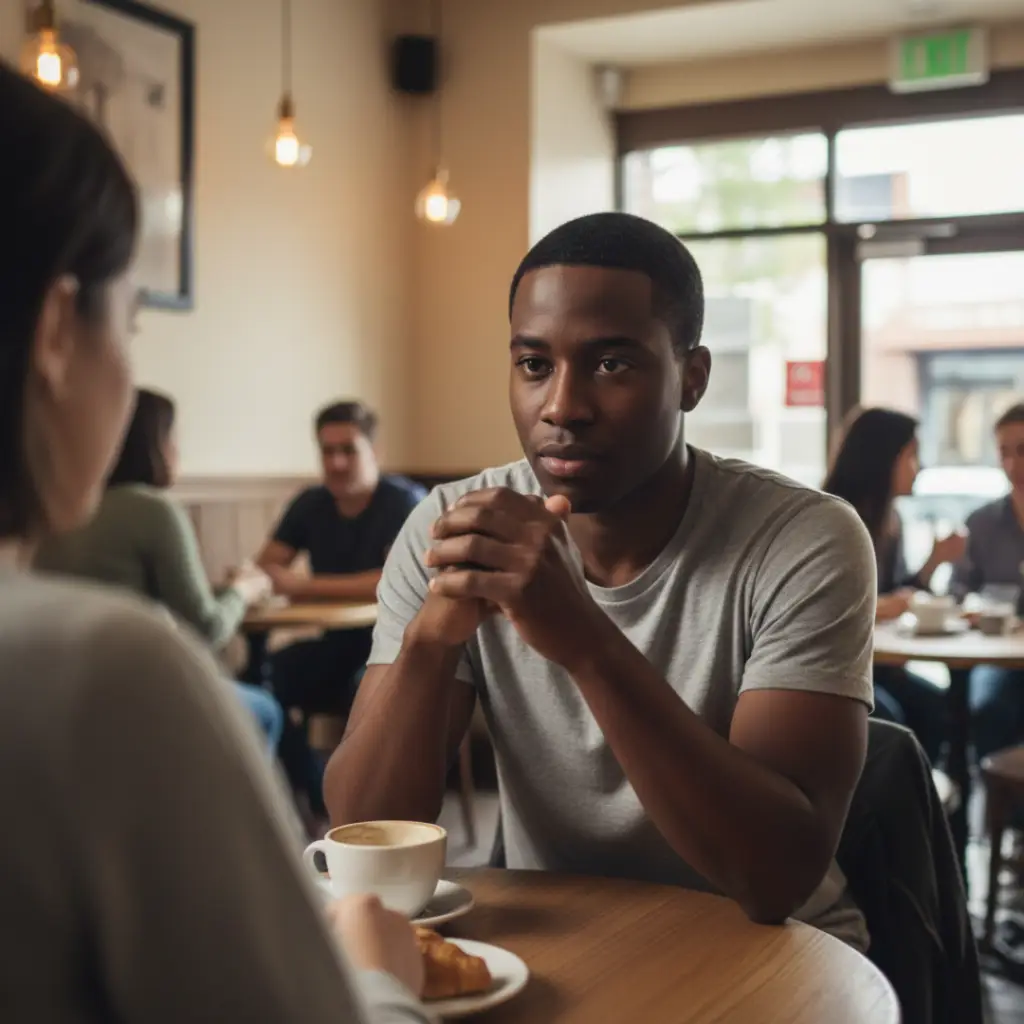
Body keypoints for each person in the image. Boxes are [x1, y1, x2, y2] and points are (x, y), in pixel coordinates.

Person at [0, 65, 428, 1022]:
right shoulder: (99, 675)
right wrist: (375, 980)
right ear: (60, 330)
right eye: (135, 322)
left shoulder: (399, 501)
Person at [327, 211, 877, 949]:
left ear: (692, 377)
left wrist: (585, 641)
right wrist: (428, 642)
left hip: (770, 951)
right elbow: (361, 839)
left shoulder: (802, 540)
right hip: (556, 941)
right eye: (533, 365)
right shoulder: (453, 526)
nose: (562, 407)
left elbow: (775, 876)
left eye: (611, 364)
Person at [35, 388, 285, 754]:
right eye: (174, 437)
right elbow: (207, 627)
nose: (177, 449)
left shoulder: (57, 510)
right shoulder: (152, 510)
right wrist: (243, 590)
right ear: (155, 443)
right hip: (136, 691)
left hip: (58, 690)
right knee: (264, 711)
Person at [257, 402, 425, 814]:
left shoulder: (404, 502)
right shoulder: (310, 503)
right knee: (260, 681)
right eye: (327, 451)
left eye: (348, 450)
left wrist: (306, 587)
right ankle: (318, 801)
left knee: (365, 692)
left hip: (396, 650)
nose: (336, 462)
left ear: (375, 452)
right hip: (333, 643)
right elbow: (266, 565)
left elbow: (395, 580)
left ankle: (363, 812)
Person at [823, 407, 965, 763]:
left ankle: (928, 810)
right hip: (836, 671)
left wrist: (934, 560)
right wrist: (883, 605)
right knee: (897, 723)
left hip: (879, 667)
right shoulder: (832, 520)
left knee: (937, 706)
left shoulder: (891, 520)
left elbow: (897, 590)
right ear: (883, 459)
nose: (918, 467)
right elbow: (825, 608)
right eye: (912, 455)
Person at [951, 402, 1024, 760]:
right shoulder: (981, 523)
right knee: (989, 707)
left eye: (1023, 451)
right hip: (996, 654)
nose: (1013, 466)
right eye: (1004, 453)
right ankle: (998, 806)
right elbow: (959, 591)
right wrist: (975, 610)